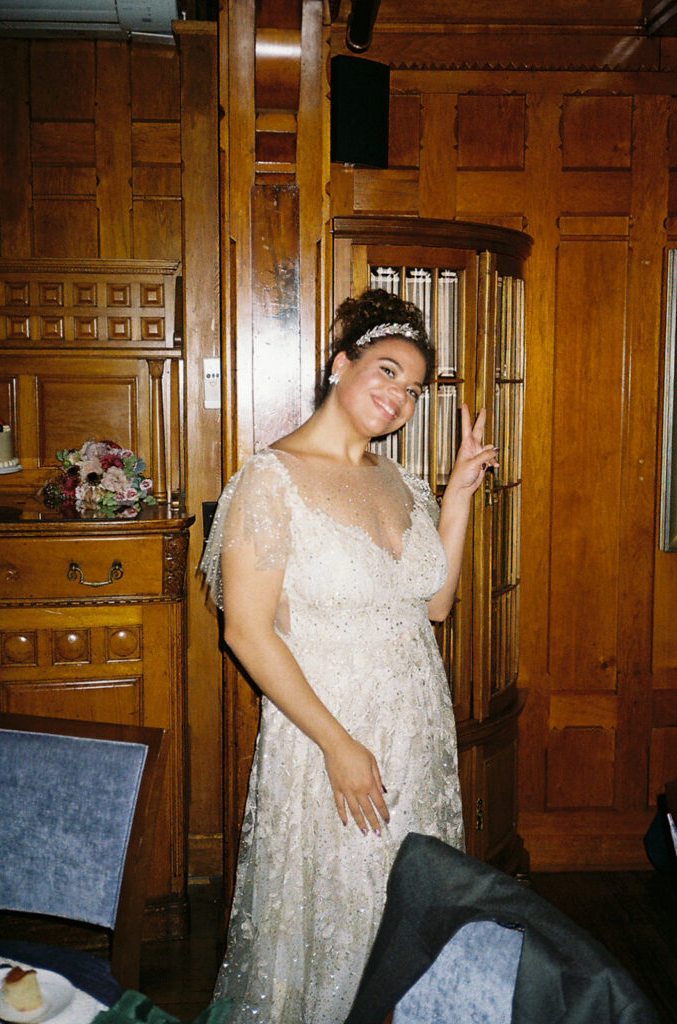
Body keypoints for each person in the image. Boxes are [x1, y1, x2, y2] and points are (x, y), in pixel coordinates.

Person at [200, 288, 498, 1023]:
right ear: (341, 364)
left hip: (416, 734)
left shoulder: (401, 483)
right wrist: (336, 742)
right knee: (344, 912)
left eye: (415, 389)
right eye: (387, 372)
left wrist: (457, 496)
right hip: (328, 733)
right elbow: (246, 631)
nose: (400, 397)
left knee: (406, 907)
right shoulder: (270, 481)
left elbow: (433, 606)